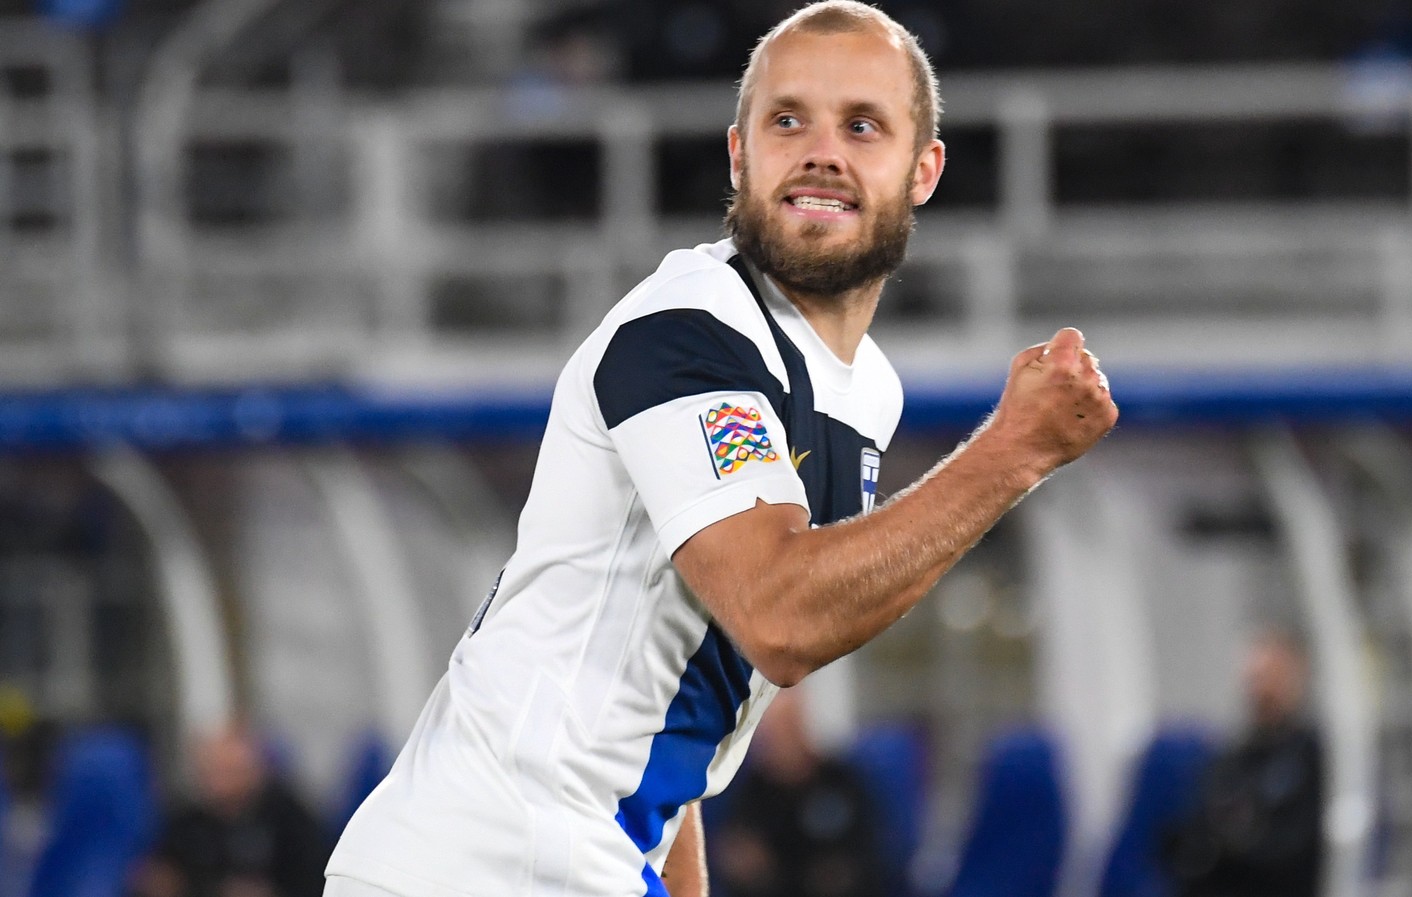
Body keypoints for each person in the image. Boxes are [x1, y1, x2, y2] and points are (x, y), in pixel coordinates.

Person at [324, 3, 1118, 896]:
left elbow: (684, 675)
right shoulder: (685, 334)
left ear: (923, 169)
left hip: (569, 851)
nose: (822, 150)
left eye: (863, 125)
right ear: (739, 154)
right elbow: (780, 615)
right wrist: (1013, 452)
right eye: (788, 121)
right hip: (492, 854)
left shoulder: (867, 388)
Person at [1160, 630, 1324, 897]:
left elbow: (1293, 850)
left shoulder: (1312, 757)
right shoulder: (1230, 757)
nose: (1262, 690)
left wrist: (1237, 841)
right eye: (1255, 679)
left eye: (1273, 678)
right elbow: (1193, 838)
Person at [710, 689, 888, 897]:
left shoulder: (841, 783)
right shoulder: (748, 791)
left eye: (789, 727)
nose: (782, 740)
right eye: (774, 732)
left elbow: (871, 849)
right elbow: (733, 850)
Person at [134, 722, 330, 897]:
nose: (221, 784)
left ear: (256, 771)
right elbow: (156, 876)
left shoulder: (291, 820)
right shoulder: (184, 823)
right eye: (212, 771)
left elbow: (318, 881)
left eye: (232, 771)